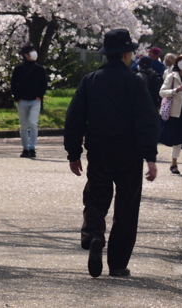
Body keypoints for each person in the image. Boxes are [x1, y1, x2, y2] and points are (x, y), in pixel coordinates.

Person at [64, 28, 159, 279]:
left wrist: (73, 153)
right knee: (127, 206)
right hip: (130, 154)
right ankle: (117, 264)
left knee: (96, 197)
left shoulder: (90, 80)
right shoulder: (136, 82)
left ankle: (95, 235)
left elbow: (74, 118)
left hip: (99, 150)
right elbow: (147, 121)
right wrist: (150, 157)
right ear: (127, 55)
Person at [10, 43, 48, 158]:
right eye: (31, 51)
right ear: (26, 55)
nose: (34, 52)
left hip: (35, 101)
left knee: (33, 123)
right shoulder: (18, 69)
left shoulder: (40, 69)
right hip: (22, 101)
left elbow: (44, 84)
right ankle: (25, 148)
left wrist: (39, 96)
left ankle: (32, 147)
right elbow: (13, 84)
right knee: (23, 125)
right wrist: (17, 98)